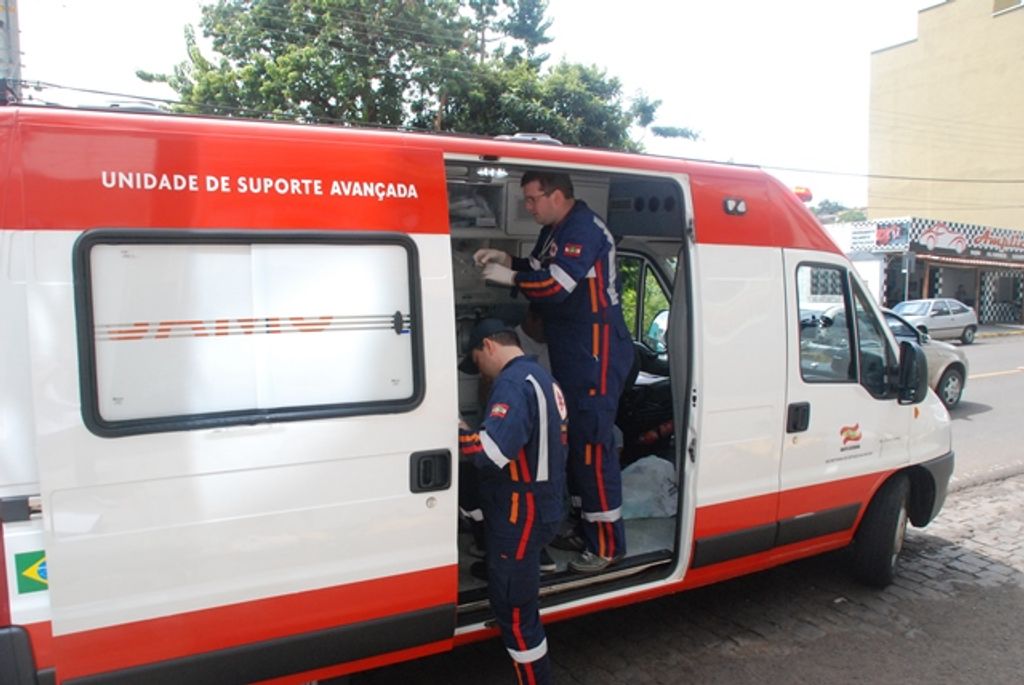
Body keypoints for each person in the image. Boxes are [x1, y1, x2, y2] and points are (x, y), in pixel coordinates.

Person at [473, 170, 633, 574]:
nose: (528, 207)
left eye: (532, 199)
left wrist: (511, 278)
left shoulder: (583, 228)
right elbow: (540, 265)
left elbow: (555, 285)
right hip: (574, 350)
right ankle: (585, 526)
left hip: (596, 351)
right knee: (576, 443)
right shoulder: (554, 229)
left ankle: (608, 546)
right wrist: (507, 259)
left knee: (594, 445)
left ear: (556, 195)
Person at [458, 318, 569, 684]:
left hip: (521, 513)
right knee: (514, 597)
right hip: (543, 503)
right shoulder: (543, 379)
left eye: (476, 361)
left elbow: (491, 452)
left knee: (517, 613)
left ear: (489, 345)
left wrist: (455, 431)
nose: (480, 372)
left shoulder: (511, 383)